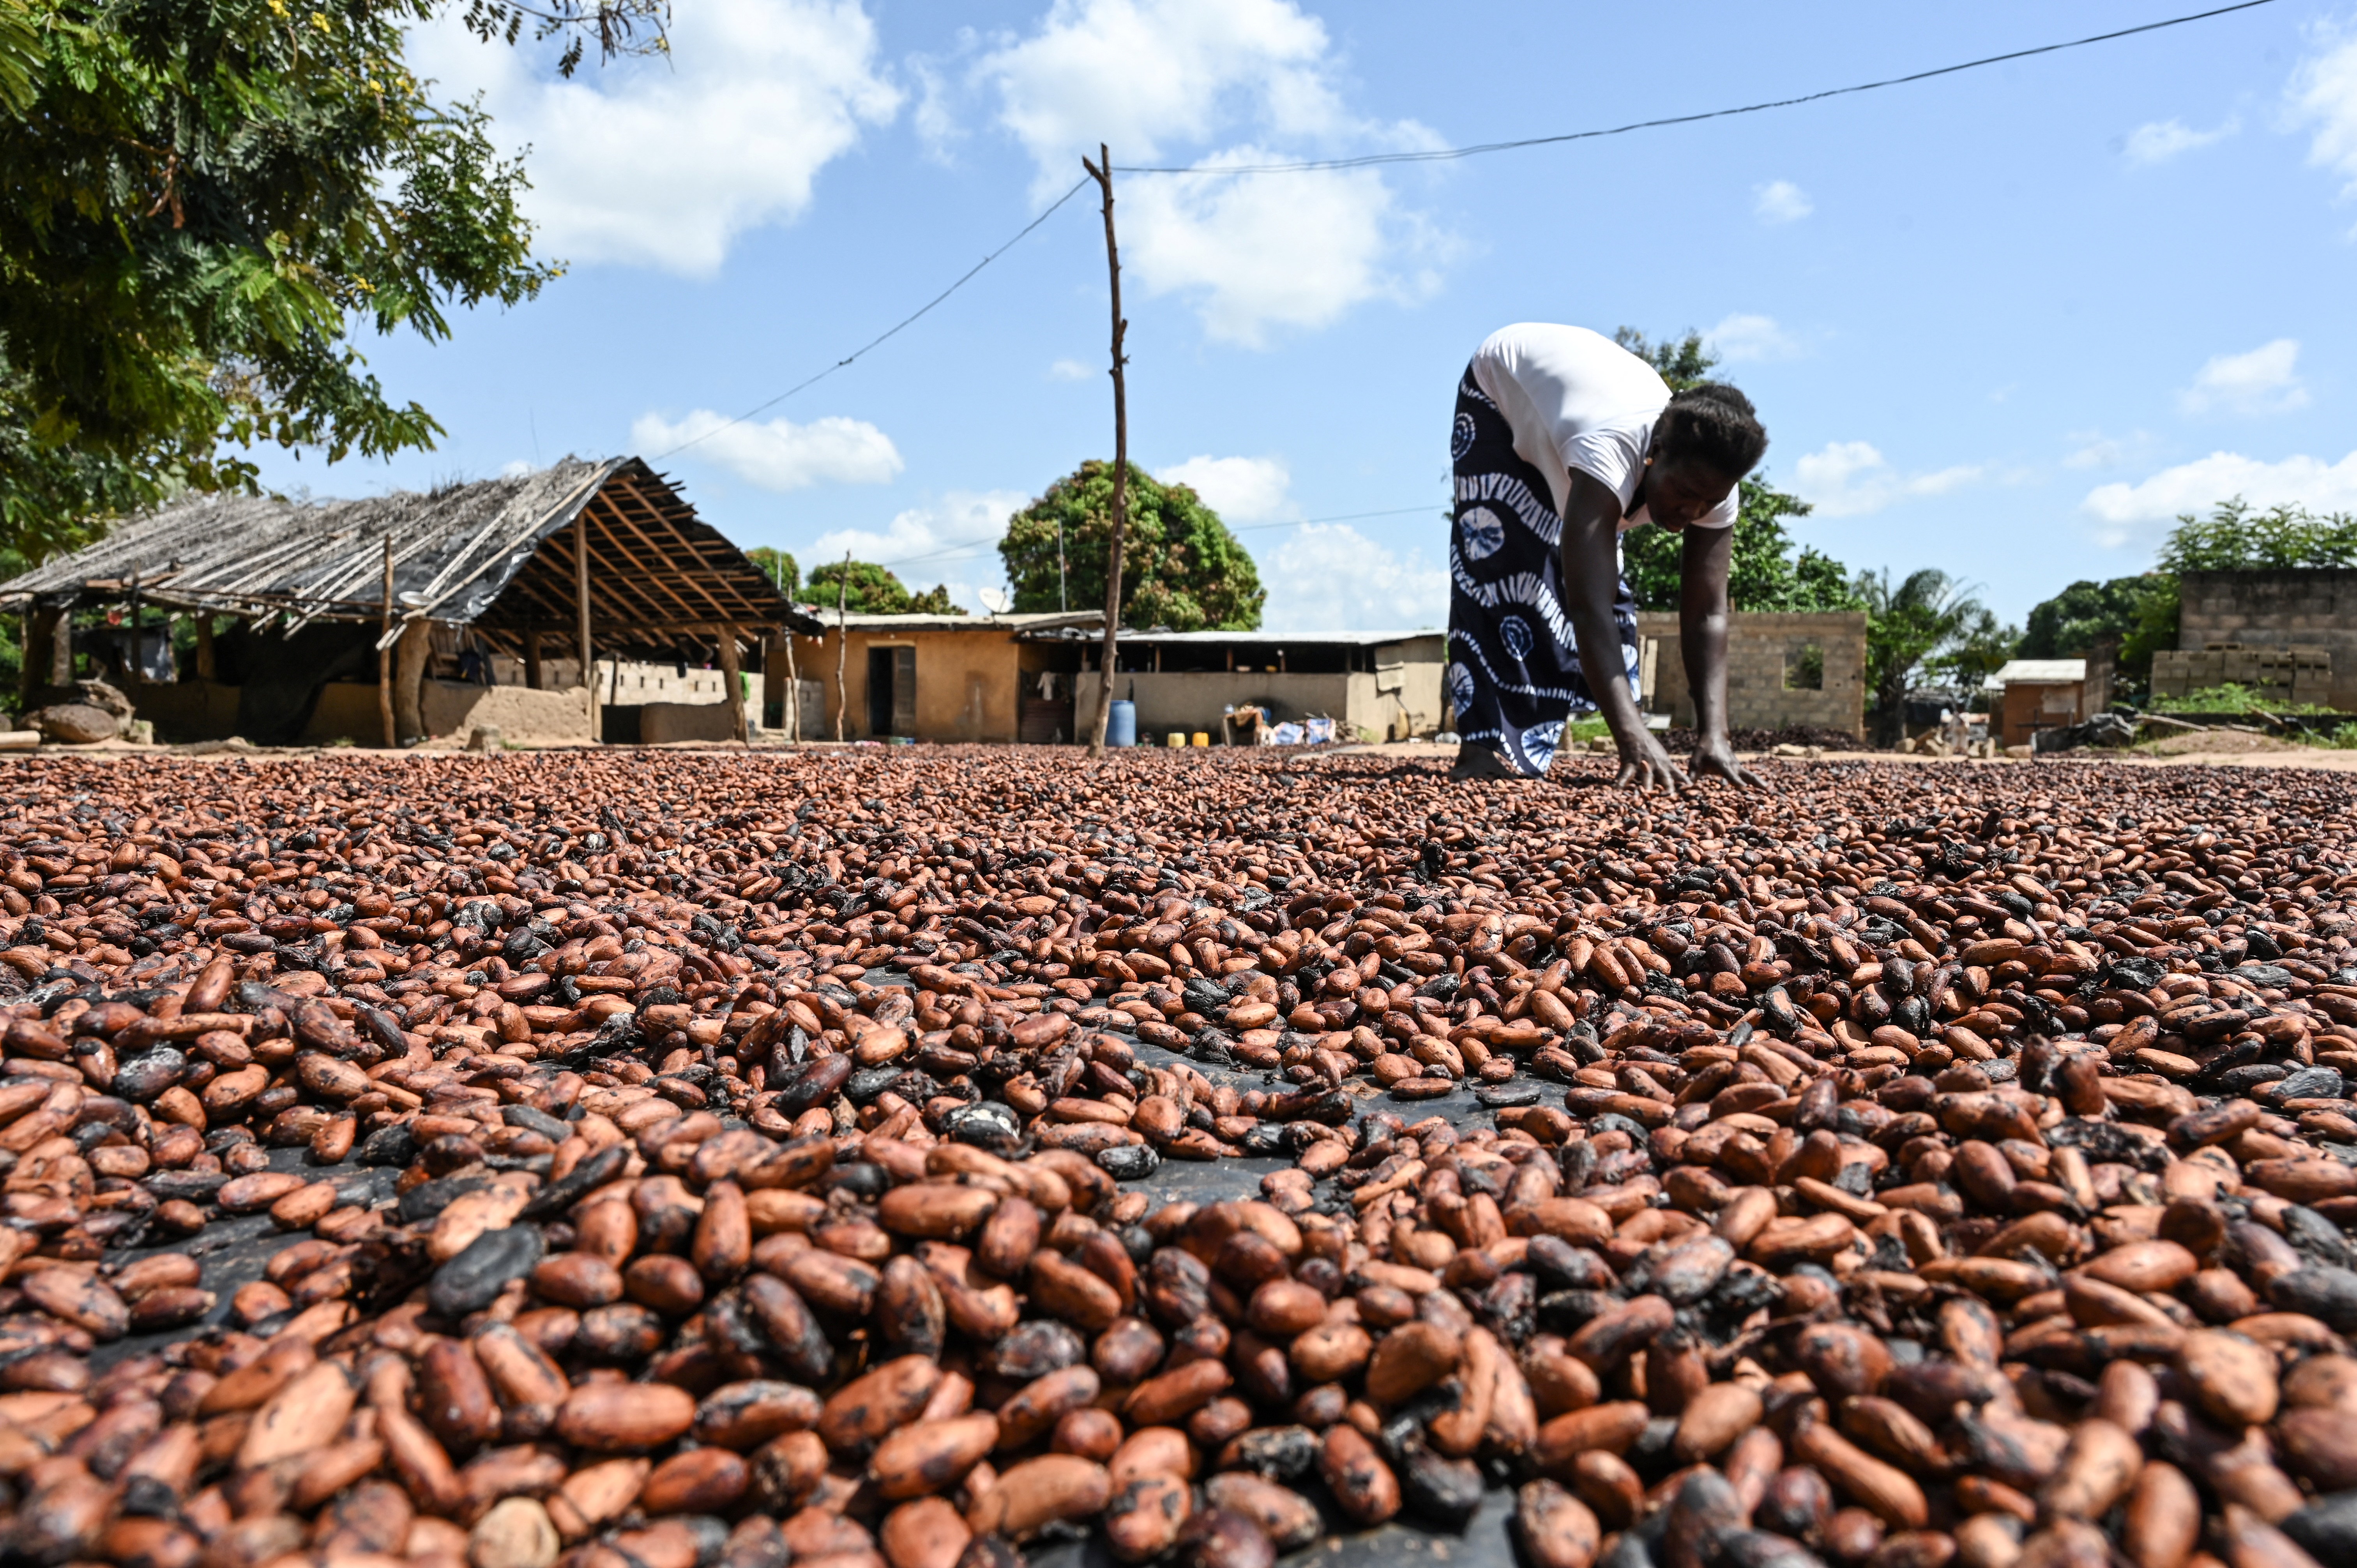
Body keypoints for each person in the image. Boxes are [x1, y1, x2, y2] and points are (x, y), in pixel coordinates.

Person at [1445, 323, 1770, 791]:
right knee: (1497, 562)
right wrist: (1632, 734)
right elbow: (1587, 605)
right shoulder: (1610, 449)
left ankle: (1611, 736)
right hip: (1501, 388)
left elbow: (1707, 613)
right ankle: (1480, 747)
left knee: (1600, 576)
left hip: (1582, 415)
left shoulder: (1714, 485)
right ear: (1655, 454)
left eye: (1707, 503)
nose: (1692, 512)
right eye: (1684, 493)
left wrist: (1714, 735)